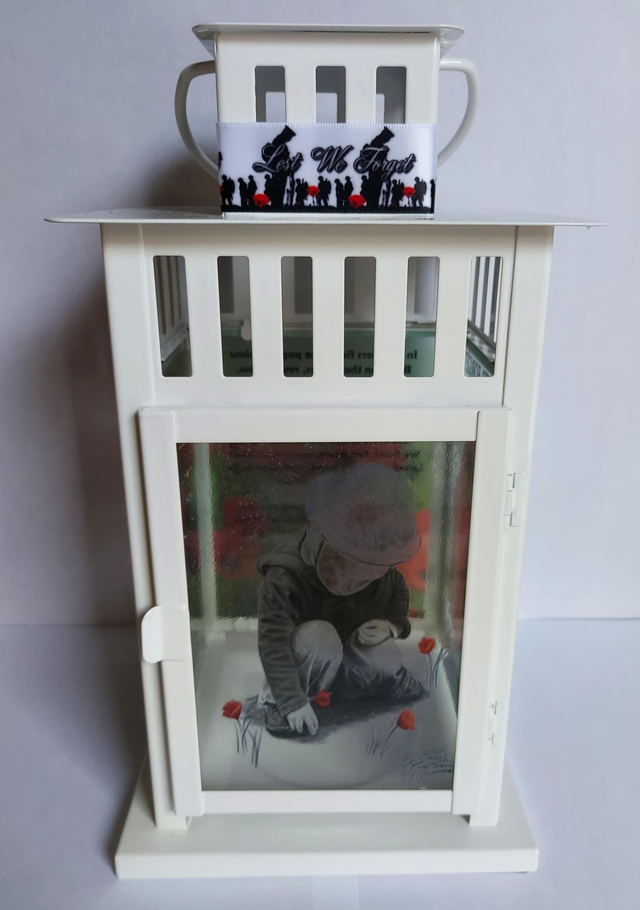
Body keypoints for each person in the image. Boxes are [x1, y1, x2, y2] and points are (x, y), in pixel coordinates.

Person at [257, 462, 424, 737]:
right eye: (341, 571)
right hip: (310, 660)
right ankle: (277, 701)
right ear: (328, 543)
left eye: (364, 581)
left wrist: (391, 626)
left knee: (381, 649)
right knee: (318, 637)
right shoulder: (285, 576)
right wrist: (291, 701)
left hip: (348, 660)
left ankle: (377, 681)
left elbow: (398, 591)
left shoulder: (379, 566)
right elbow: (273, 643)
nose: (348, 586)